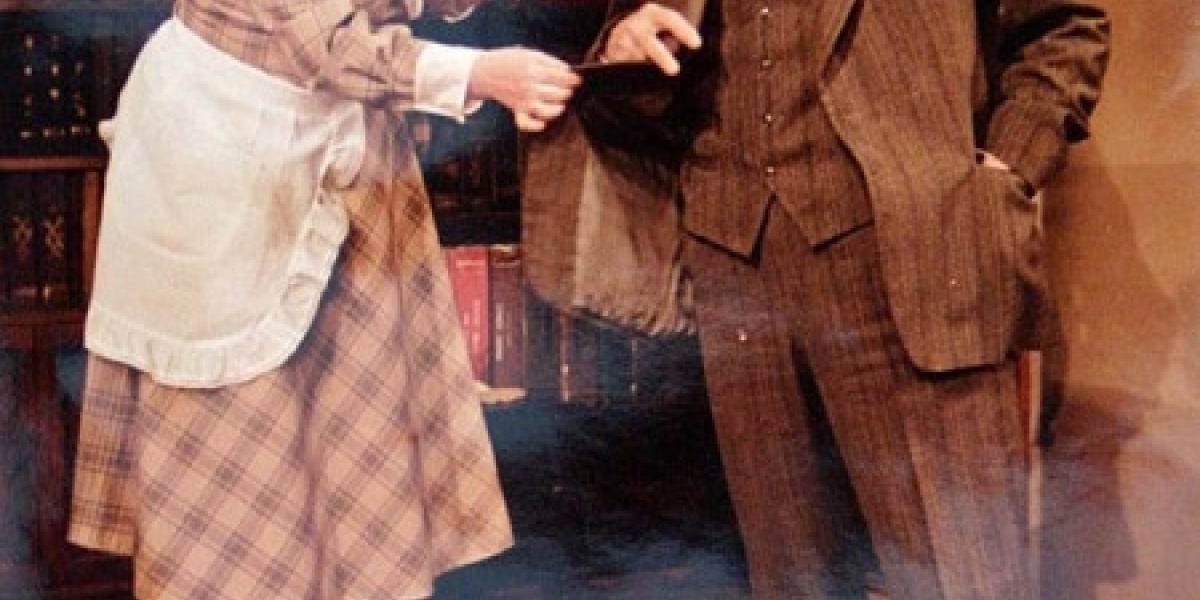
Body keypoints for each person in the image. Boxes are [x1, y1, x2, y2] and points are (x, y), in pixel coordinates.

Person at [524, 0, 1110, 597]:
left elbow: (1064, 27)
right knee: (790, 578)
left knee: (959, 575)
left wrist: (1007, 170)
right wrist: (622, 50)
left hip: (916, 261)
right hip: (735, 265)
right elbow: (647, 71)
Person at [67, 1, 579, 598]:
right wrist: (479, 74)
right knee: (242, 479)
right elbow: (323, 41)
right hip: (235, 159)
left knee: (351, 479)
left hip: (331, 157)